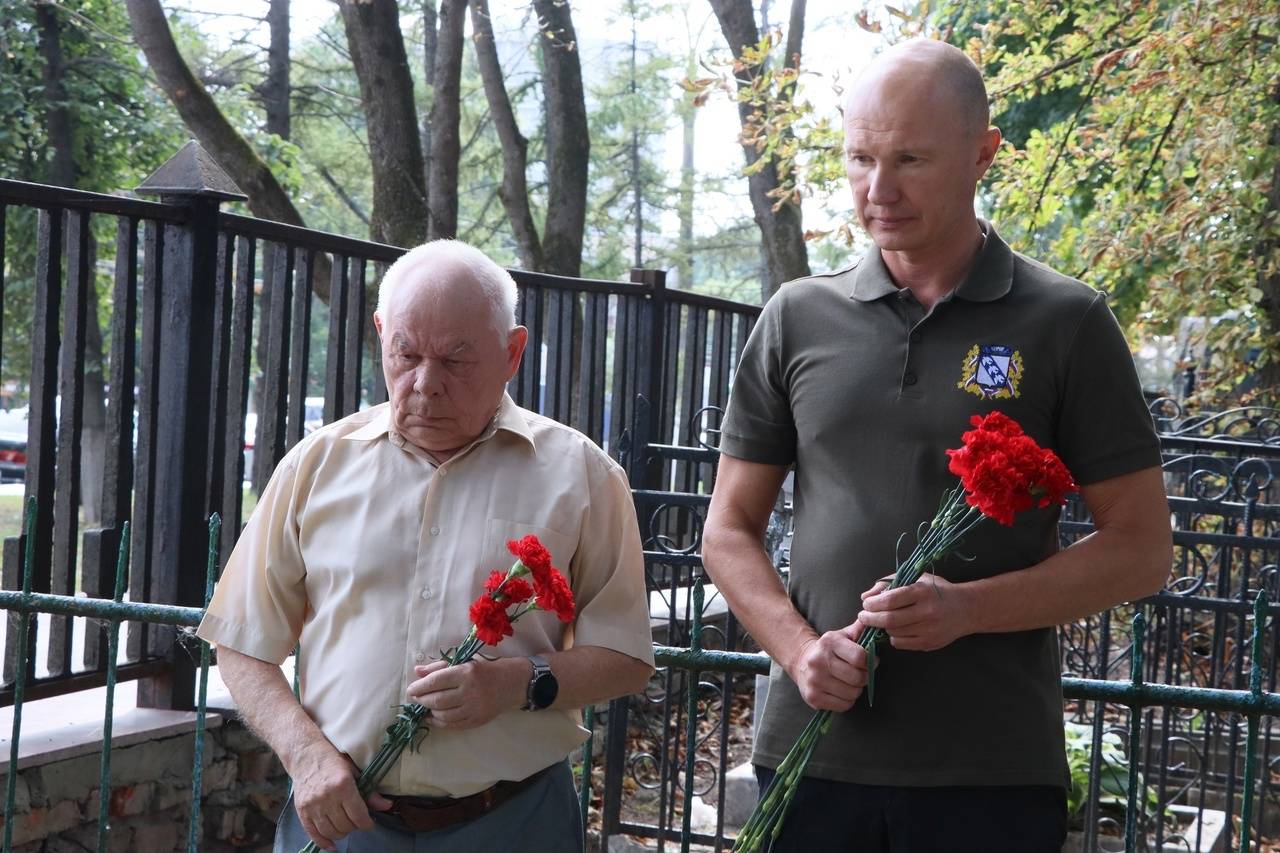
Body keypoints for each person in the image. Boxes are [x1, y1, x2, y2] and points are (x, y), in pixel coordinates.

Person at [702, 38, 1172, 852]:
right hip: (812, 757)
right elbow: (727, 529)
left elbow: (1141, 549)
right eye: (860, 158)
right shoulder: (796, 317)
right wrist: (799, 650)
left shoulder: (1066, 321)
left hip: (990, 772)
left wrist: (968, 608)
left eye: (910, 159)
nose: (878, 190)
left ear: (983, 154)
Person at [197, 240, 655, 853]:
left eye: (456, 360)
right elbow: (241, 643)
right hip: (344, 821)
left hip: (514, 821)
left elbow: (625, 656)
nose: (426, 384)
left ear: (512, 353)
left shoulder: (582, 478)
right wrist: (305, 755)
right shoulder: (316, 466)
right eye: (406, 354)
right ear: (381, 335)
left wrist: (516, 683)